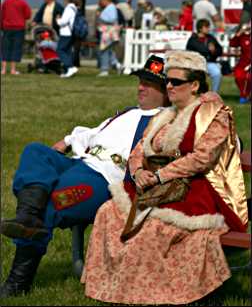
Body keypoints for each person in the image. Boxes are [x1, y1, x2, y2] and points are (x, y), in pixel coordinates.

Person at [82, 50, 248, 305]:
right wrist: (138, 172)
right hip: (155, 186)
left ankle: (171, 292)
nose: (168, 85)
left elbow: (202, 158)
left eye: (175, 82)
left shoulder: (213, 114)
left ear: (194, 85)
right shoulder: (165, 115)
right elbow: (139, 149)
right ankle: (117, 285)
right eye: (167, 80)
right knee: (109, 211)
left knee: (157, 225)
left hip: (194, 187)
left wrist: (160, 176)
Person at [0, 55, 169, 297]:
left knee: (50, 204)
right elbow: (94, 132)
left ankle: (18, 282)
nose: (141, 87)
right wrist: (68, 140)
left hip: (103, 179)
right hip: (80, 162)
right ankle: (28, 217)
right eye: (141, 81)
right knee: (35, 150)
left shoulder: (167, 121)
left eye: (149, 84)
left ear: (165, 91)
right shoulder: (127, 113)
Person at [1, 0, 31, 75]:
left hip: (7, 28)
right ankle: (13, 70)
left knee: (5, 48)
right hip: (19, 28)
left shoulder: (6, 2)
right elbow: (28, 15)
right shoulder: (22, 2)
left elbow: (1, 15)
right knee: (16, 48)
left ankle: (3, 69)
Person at [186, 18, 223, 92]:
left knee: (217, 74)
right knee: (198, 77)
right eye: (206, 27)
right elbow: (189, 53)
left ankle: (214, 94)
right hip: (196, 63)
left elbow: (220, 50)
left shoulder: (211, 38)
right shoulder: (193, 39)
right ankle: (196, 93)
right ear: (200, 28)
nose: (208, 29)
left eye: (208, 27)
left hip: (209, 62)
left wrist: (214, 51)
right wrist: (208, 50)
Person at [96, 0, 121, 77]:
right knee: (108, 50)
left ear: (105, 0)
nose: (100, 2)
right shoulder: (111, 7)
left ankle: (104, 69)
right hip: (108, 32)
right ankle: (116, 64)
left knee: (104, 50)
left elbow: (112, 18)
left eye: (101, 0)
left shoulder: (111, 7)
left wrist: (101, 16)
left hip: (108, 32)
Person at [56, 0, 78, 78]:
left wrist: (58, 20)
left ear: (66, 0)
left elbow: (64, 21)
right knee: (67, 51)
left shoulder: (68, 8)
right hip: (72, 32)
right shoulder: (74, 8)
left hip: (66, 33)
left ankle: (70, 67)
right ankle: (68, 71)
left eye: (64, 0)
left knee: (60, 50)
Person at [229, 22, 251, 104]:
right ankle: (245, 95)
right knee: (239, 76)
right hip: (243, 63)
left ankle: (244, 95)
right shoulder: (243, 36)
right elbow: (232, 44)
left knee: (249, 78)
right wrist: (239, 33)